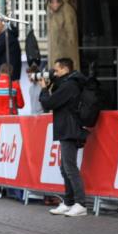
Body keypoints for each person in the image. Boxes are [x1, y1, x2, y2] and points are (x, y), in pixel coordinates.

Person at [39, 57, 88, 217]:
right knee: (64, 167)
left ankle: (80, 203)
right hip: (67, 128)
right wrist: (51, 84)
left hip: (70, 128)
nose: (55, 73)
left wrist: (44, 89)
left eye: (57, 70)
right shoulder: (67, 84)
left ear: (65, 69)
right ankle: (68, 202)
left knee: (70, 167)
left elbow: (49, 103)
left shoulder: (70, 85)